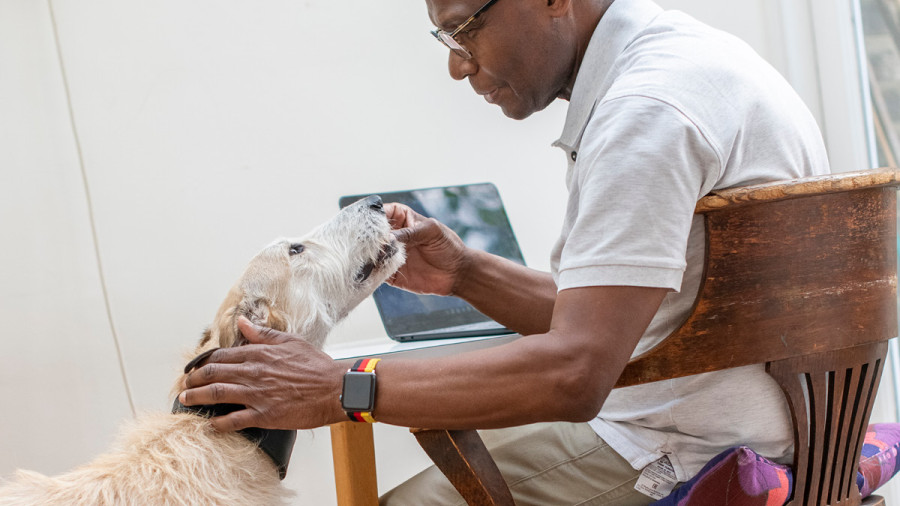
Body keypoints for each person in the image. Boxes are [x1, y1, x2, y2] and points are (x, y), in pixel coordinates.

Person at [179, 0, 830, 503]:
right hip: (786, 426)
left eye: (466, 28)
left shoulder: (645, 113)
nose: (458, 64)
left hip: (693, 449)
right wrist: (467, 273)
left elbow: (576, 373)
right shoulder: (700, 63)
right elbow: (628, 322)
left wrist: (341, 388)